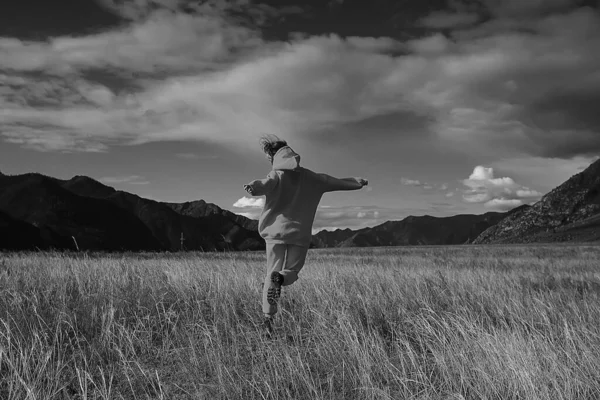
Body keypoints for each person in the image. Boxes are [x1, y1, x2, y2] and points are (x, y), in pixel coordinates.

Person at [244, 135, 368, 336]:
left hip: (274, 233)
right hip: (299, 234)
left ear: (272, 157)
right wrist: (357, 182)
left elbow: (263, 184)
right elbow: (334, 182)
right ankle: (282, 278)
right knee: (292, 270)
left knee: (270, 273)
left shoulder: (276, 175)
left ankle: (268, 320)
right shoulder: (312, 178)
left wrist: (253, 187)